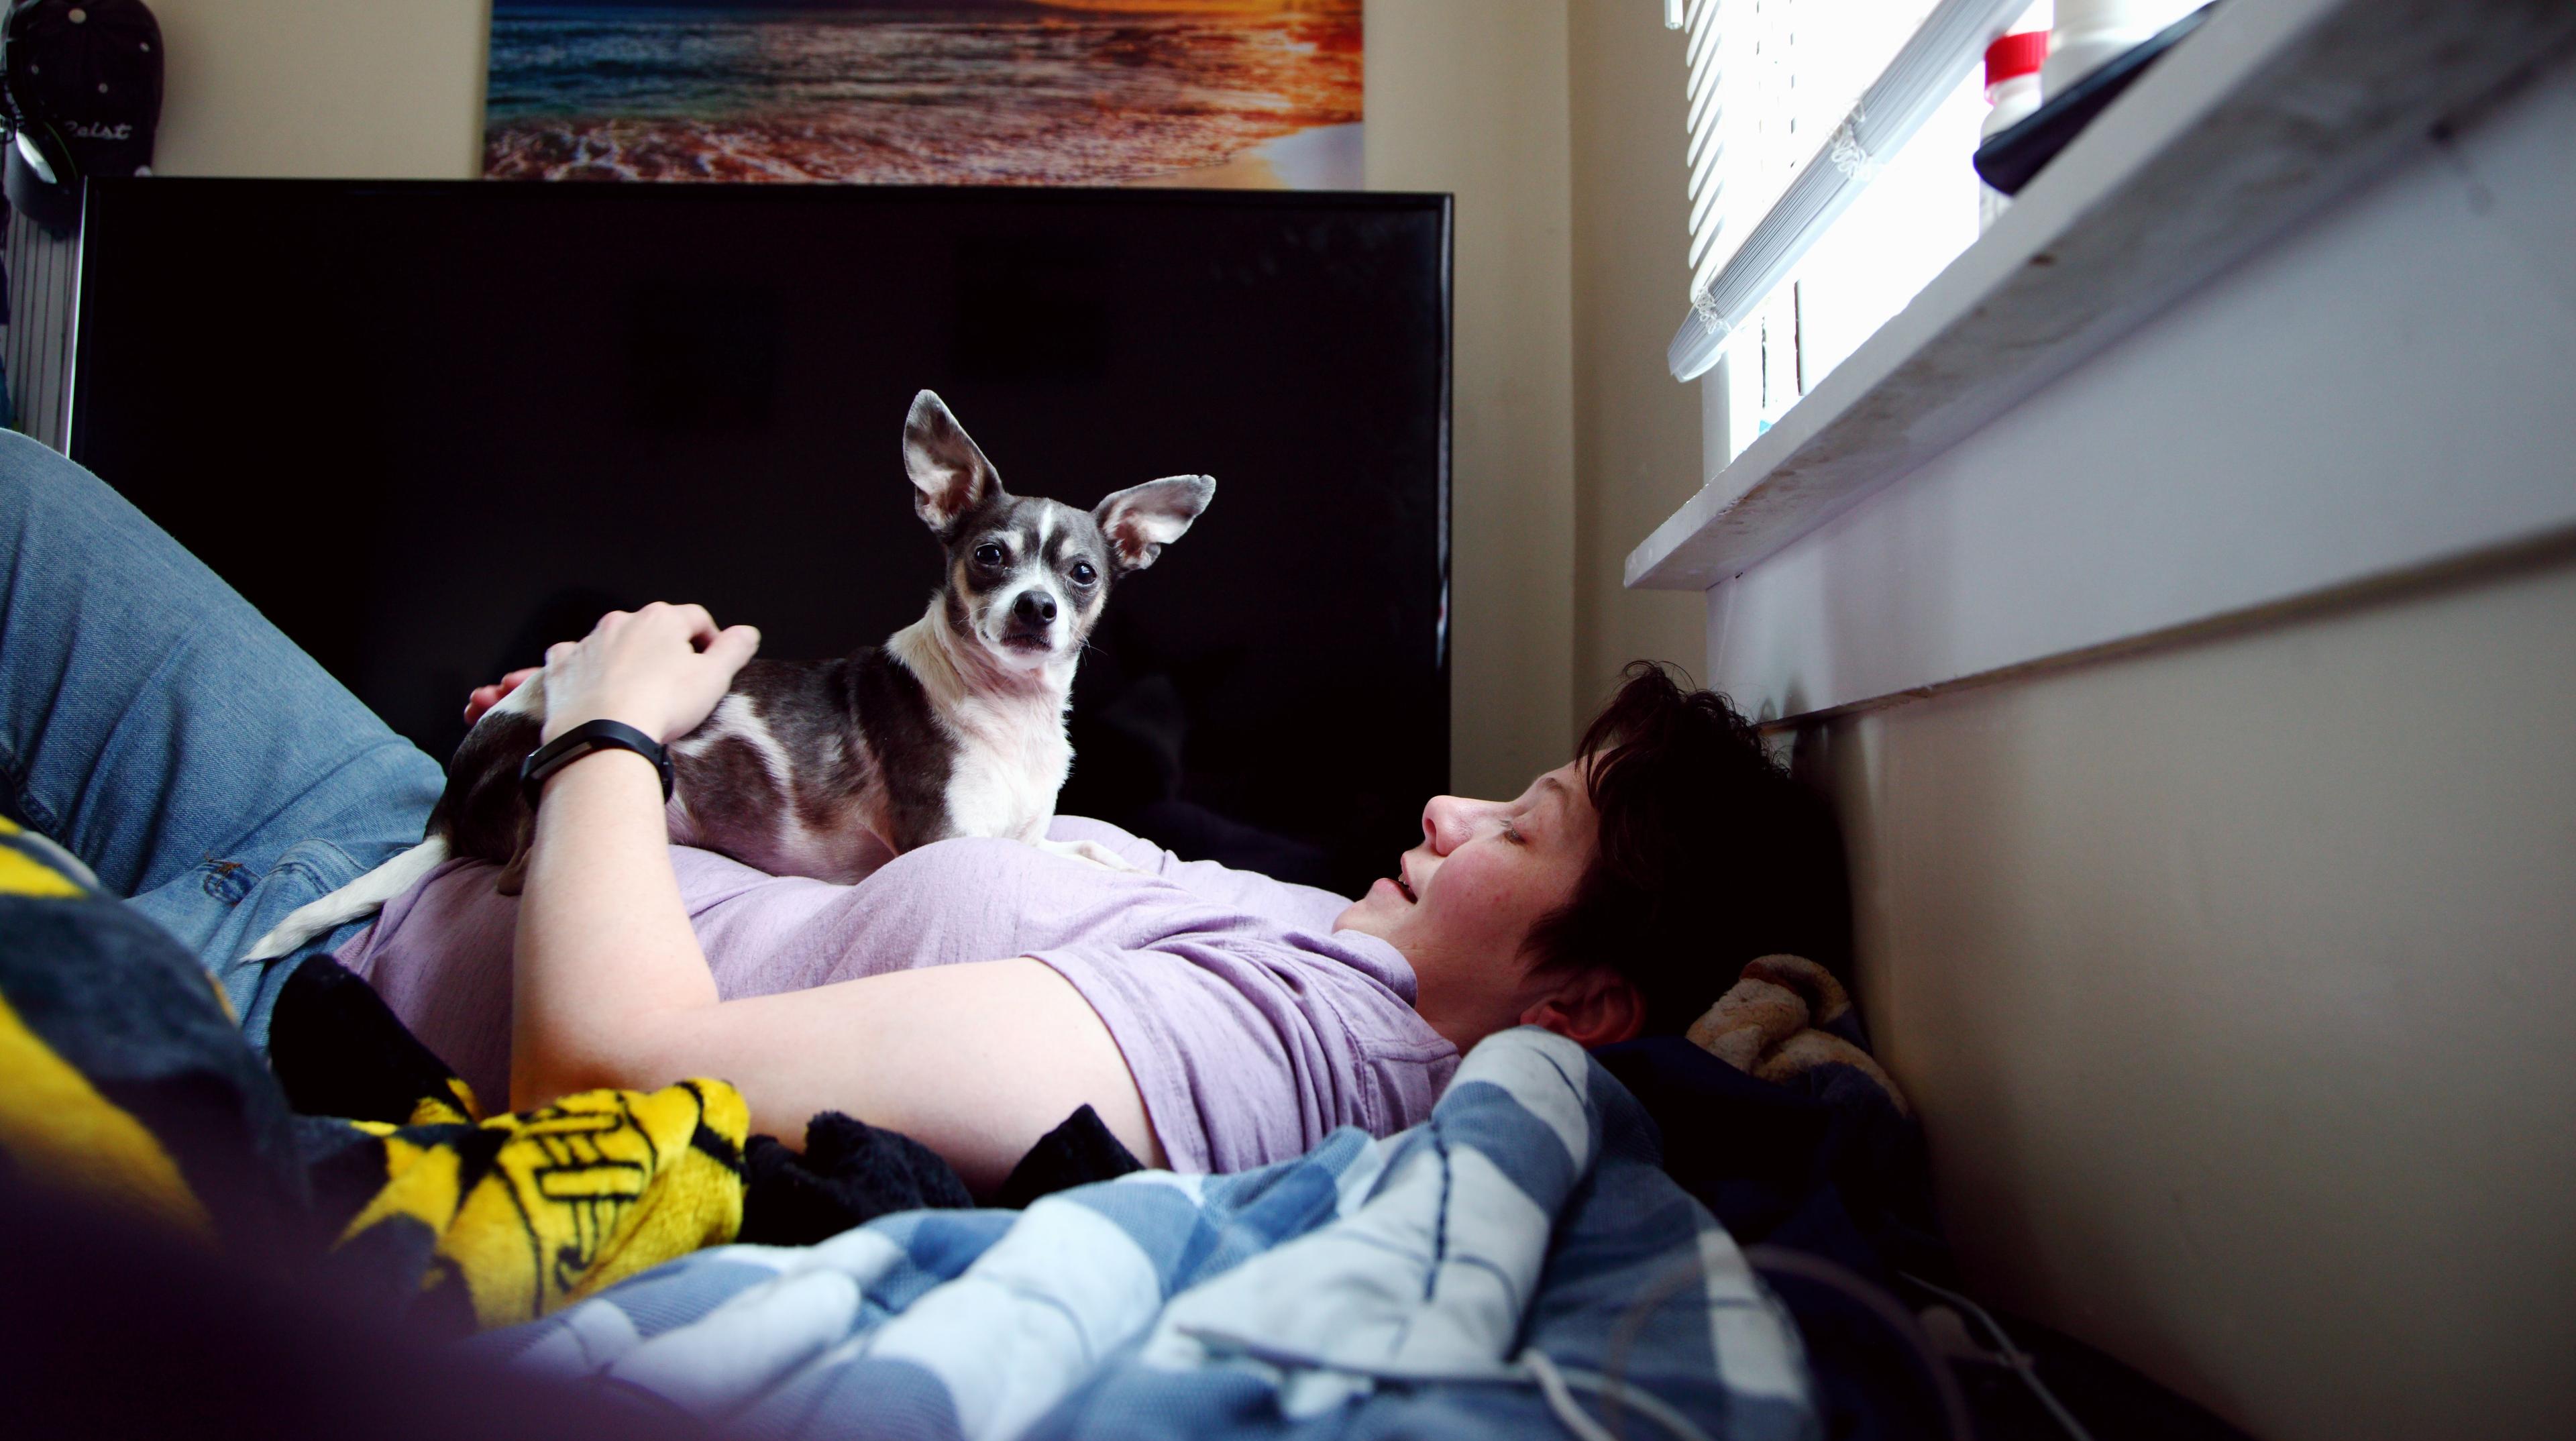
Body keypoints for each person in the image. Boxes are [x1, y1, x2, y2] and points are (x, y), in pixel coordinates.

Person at [0, 433, 1845, 1194]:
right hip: (399, 820)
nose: (1445, 811)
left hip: (308, 962)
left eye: (1516, 829)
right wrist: (576, 720)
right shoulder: (1306, 925)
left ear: (1580, 1005)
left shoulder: (1273, 1046)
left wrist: (610, 737)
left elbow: (619, 1068)